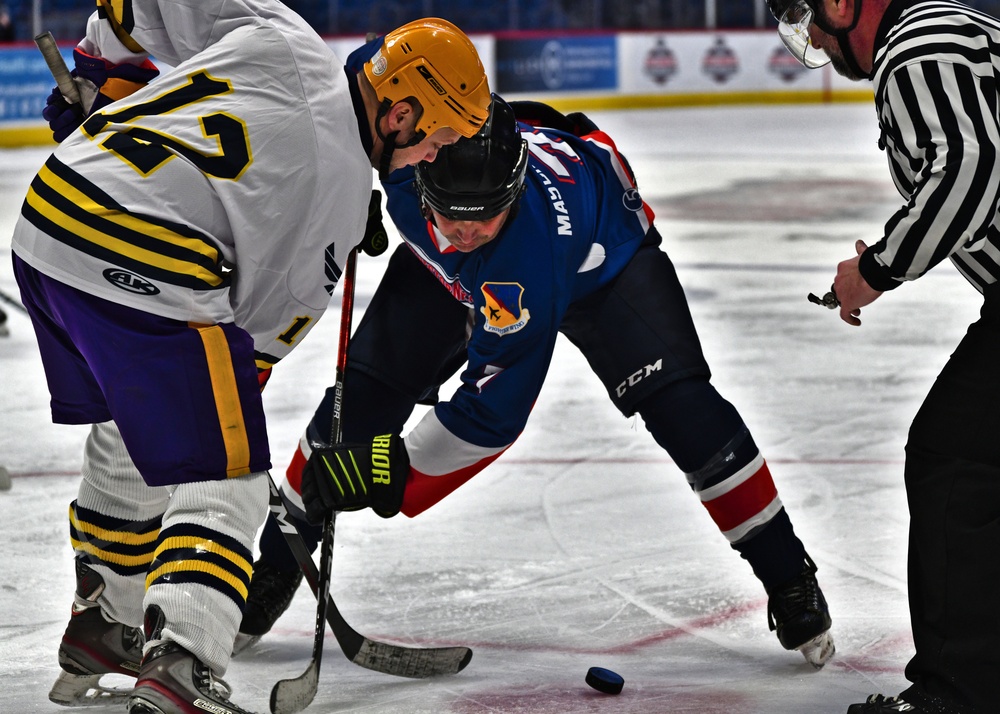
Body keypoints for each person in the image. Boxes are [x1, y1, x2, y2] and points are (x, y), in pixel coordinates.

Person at [240, 93, 837, 671]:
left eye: (485, 216)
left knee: (685, 410)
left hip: (600, 262)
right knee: (361, 399)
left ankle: (788, 573)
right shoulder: (403, 162)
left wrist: (383, 471)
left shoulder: (525, 256)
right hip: (448, 271)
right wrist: (340, 199)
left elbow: (491, 412)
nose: (466, 232)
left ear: (516, 192)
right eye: (450, 214)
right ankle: (275, 564)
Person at [10, 1, 490, 710]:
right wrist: (231, 412)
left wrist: (103, 72)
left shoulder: (286, 38)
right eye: (437, 138)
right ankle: (184, 662)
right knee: (226, 470)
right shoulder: (333, 200)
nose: (430, 158)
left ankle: (104, 623)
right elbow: (252, 342)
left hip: (49, 226)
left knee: (131, 423)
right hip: (142, 256)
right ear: (402, 114)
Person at [768, 1, 1000, 712]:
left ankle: (959, 694)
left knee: (956, 458)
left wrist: (876, 272)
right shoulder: (947, 26)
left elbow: (968, 167)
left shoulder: (914, 46)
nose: (808, 37)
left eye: (805, 15)